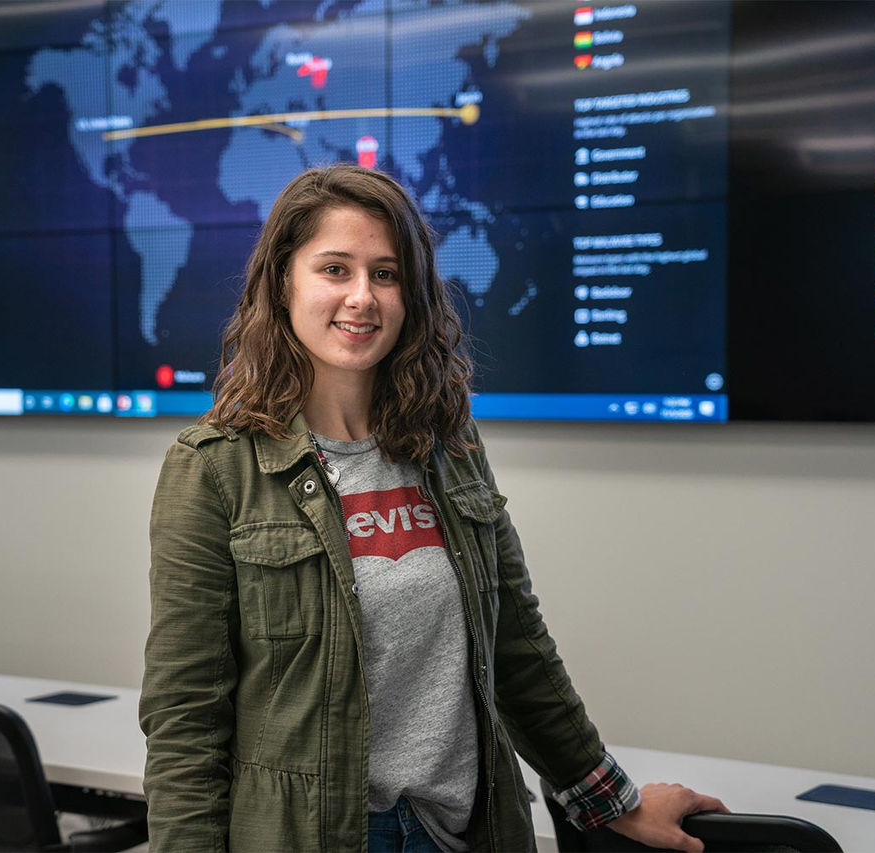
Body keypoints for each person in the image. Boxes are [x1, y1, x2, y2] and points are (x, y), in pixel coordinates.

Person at [140, 164, 724, 852]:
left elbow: (518, 650)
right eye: (335, 268)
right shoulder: (215, 466)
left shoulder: (447, 443)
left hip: (465, 831)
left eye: (385, 274)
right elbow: (187, 719)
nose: (362, 297)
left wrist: (610, 798)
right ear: (283, 282)